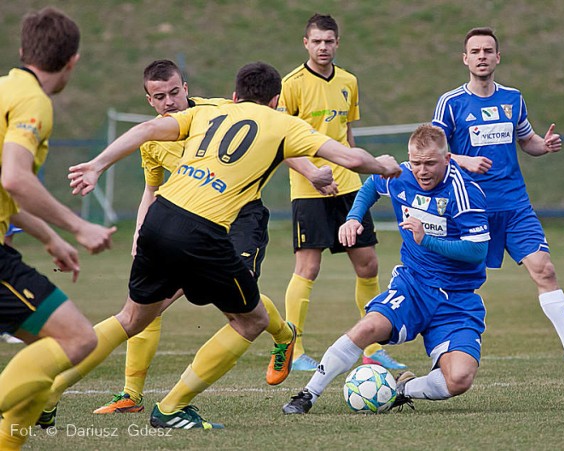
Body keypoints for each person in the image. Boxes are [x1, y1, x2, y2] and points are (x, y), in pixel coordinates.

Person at [46, 61, 401, 430]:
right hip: (203, 231)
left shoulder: (209, 114)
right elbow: (352, 157)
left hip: (162, 217)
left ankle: (50, 391)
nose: (168, 101)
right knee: (251, 321)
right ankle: (171, 407)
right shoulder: (284, 123)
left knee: (130, 318)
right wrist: (384, 165)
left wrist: (97, 165)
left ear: (234, 96)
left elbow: (148, 128)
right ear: (276, 100)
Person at [90, 59, 335, 415]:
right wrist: (142, 234)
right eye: (160, 96)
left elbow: (275, 138)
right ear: (149, 100)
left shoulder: (218, 110)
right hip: (185, 226)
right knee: (150, 305)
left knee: (240, 303)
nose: (169, 101)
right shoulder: (153, 139)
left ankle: (283, 335)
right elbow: (151, 190)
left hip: (240, 219)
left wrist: (312, 171)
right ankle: (131, 394)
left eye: (175, 92)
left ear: (186, 87)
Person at [431, 27, 564, 372]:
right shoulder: (451, 102)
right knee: (451, 283)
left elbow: (526, 140)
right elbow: (432, 151)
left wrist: (543, 146)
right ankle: (442, 355)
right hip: (470, 209)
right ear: (465, 59)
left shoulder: (513, 98)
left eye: (488, 50)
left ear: (498, 57)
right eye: (475, 51)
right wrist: (464, 160)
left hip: (515, 206)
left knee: (544, 269)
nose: (482, 56)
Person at [283, 123, 490, 414]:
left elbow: (477, 250)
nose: (422, 170)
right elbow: (371, 186)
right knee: (368, 326)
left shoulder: (465, 193)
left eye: (430, 163)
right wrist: (354, 217)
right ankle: (308, 394)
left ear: (447, 159)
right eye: (416, 163)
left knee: (458, 379)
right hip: (414, 285)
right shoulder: (401, 175)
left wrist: (426, 239)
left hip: (457, 298)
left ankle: (401, 389)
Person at [0, 7, 116, 449]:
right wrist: (77, 226)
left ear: (22, 49)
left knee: (43, 353)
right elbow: (14, 177)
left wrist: (50, 238)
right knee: (78, 339)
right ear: (73, 61)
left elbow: (2, 190)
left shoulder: (4, 88)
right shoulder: (32, 100)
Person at [278, 13, 406, 371]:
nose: (323, 47)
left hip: (348, 187)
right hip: (309, 187)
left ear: (337, 43)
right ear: (306, 43)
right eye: (316, 41)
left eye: (329, 41)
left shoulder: (349, 81)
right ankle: (295, 349)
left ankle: (373, 346)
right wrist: (313, 173)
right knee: (308, 266)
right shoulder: (291, 84)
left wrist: (361, 172)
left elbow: (347, 136)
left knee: (368, 264)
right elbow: (283, 144)